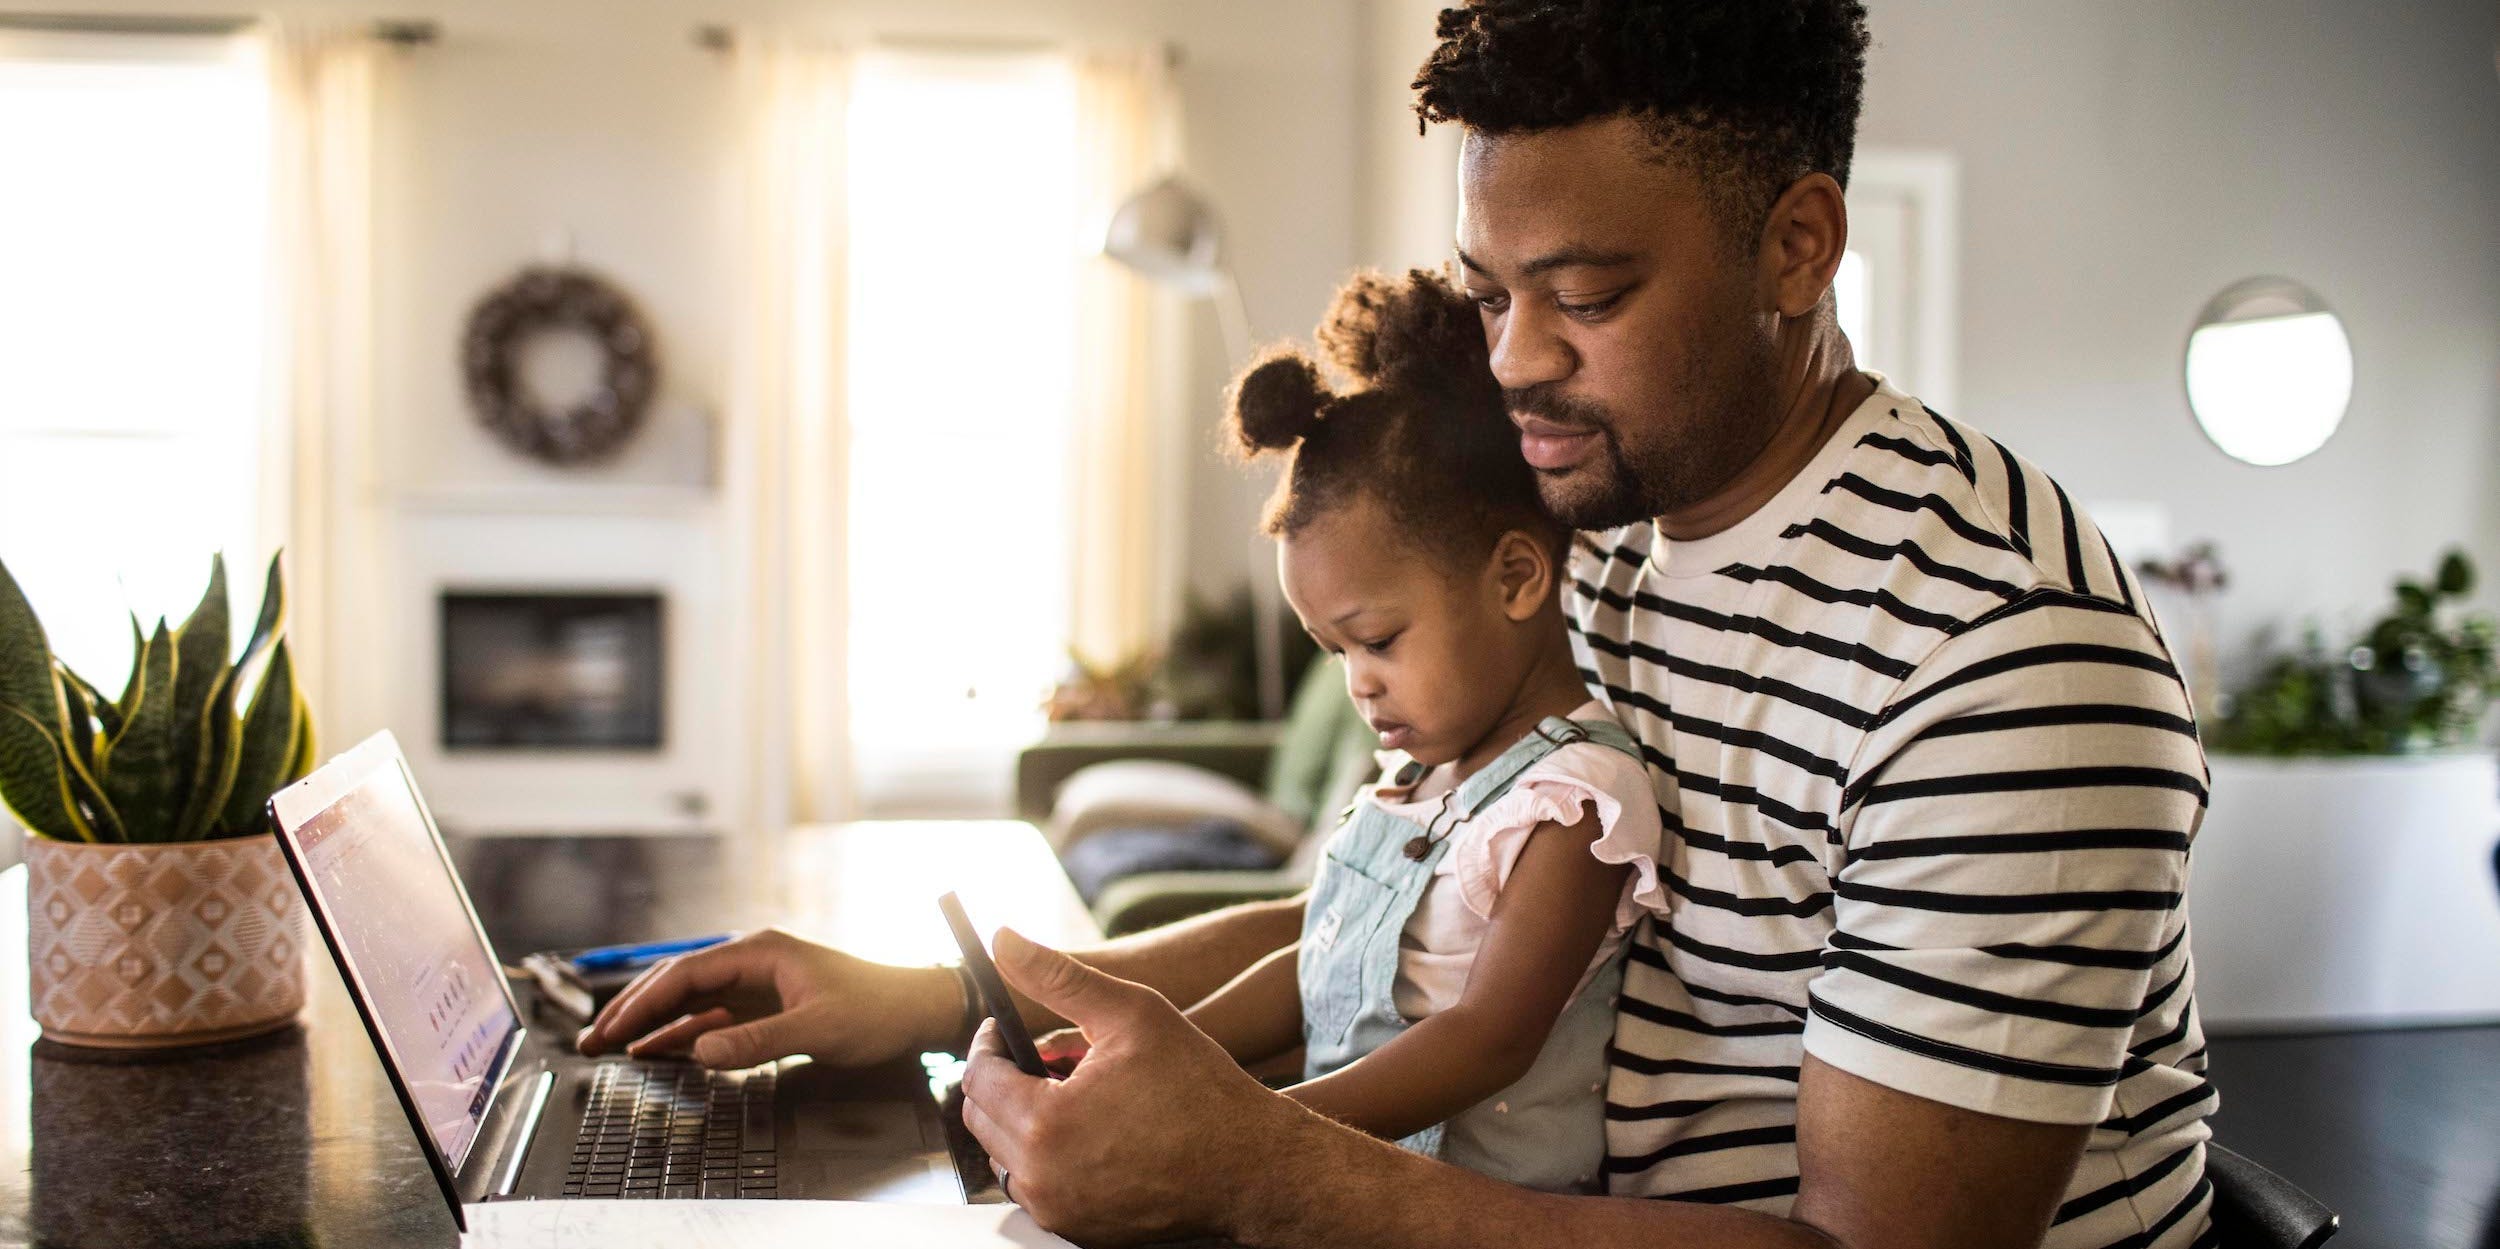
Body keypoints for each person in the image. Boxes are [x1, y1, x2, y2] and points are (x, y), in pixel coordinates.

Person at [581, 2, 2216, 1246]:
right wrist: (953, 1004)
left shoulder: (1999, 653)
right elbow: (1409, 910)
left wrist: (1268, 1162)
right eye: (1494, 292)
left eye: (1585, 297)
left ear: (1798, 243)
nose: (1512, 361)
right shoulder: (1597, 525)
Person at [1038, 269, 1669, 1194]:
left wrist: (1242, 1128)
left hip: (1462, 1213)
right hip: (1341, 1185)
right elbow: (1317, 965)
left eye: (1376, 639)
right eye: (1332, 649)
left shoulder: (1575, 800)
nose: (1357, 684)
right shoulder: (1418, 776)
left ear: (1517, 578)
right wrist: (1151, 1054)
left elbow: (1486, 1039)